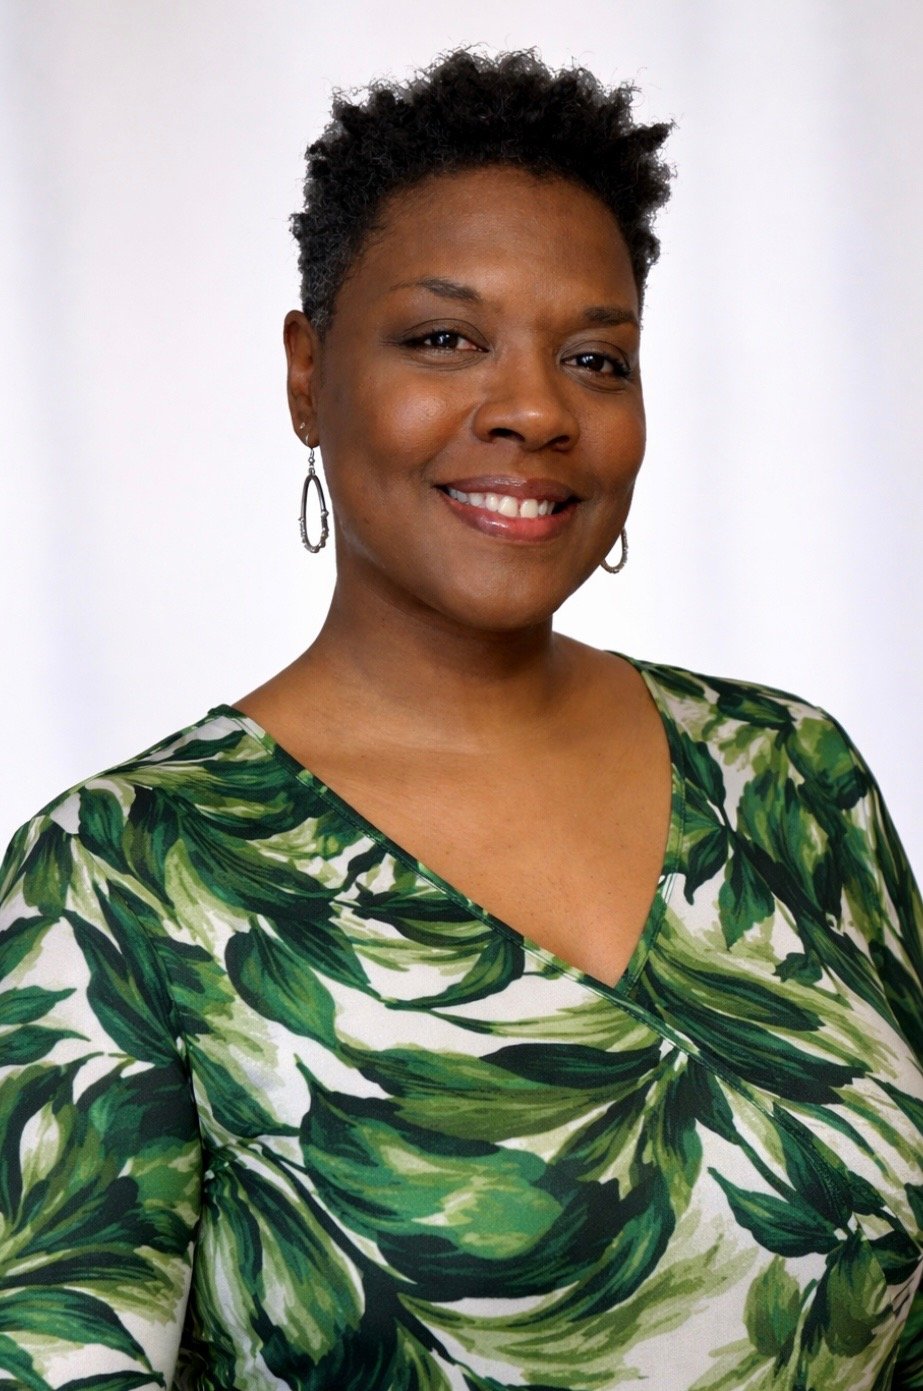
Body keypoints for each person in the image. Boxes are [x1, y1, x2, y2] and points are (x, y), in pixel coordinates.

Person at [0, 46, 920, 1391]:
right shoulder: (119, 878)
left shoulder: (791, 778)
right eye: (446, 339)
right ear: (309, 374)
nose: (538, 409)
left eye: (595, 358)